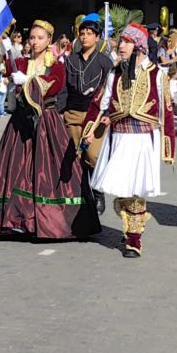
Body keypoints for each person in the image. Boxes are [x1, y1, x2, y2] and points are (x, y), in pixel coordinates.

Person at [0, 20, 101, 240]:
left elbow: (54, 84)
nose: (34, 42)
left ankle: (50, 220)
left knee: (46, 171)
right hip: (21, 123)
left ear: (49, 40)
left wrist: (29, 81)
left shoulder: (56, 65)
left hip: (46, 123)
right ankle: (18, 219)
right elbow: (8, 73)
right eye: (32, 37)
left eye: (39, 38)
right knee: (16, 170)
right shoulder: (21, 62)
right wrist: (4, 56)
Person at [84, 23, 175, 257]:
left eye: (126, 42)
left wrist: (168, 148)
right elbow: (100, 104)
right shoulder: (115, 73)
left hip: (143, 139)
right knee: (121, 188)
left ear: (139, 46)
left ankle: (134, 239)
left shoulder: (157, 74)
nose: (120, 46)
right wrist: (90, 130)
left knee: (136, 190)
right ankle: (129, 223)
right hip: (119, 136)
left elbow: (166, 111)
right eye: (120, 41)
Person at [61, 13, 113, 215]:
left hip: (95, 116)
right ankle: (82, 195)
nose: (85, 37)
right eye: (82, 33)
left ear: (97, 37)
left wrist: (109, 112)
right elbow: (64, 88)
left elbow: (111, 89)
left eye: (89, 33)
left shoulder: (104, 62)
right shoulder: (70, 60)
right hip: (72, 113)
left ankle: (97, 191)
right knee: (76, 155)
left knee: (93, 155)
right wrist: (60, 111)